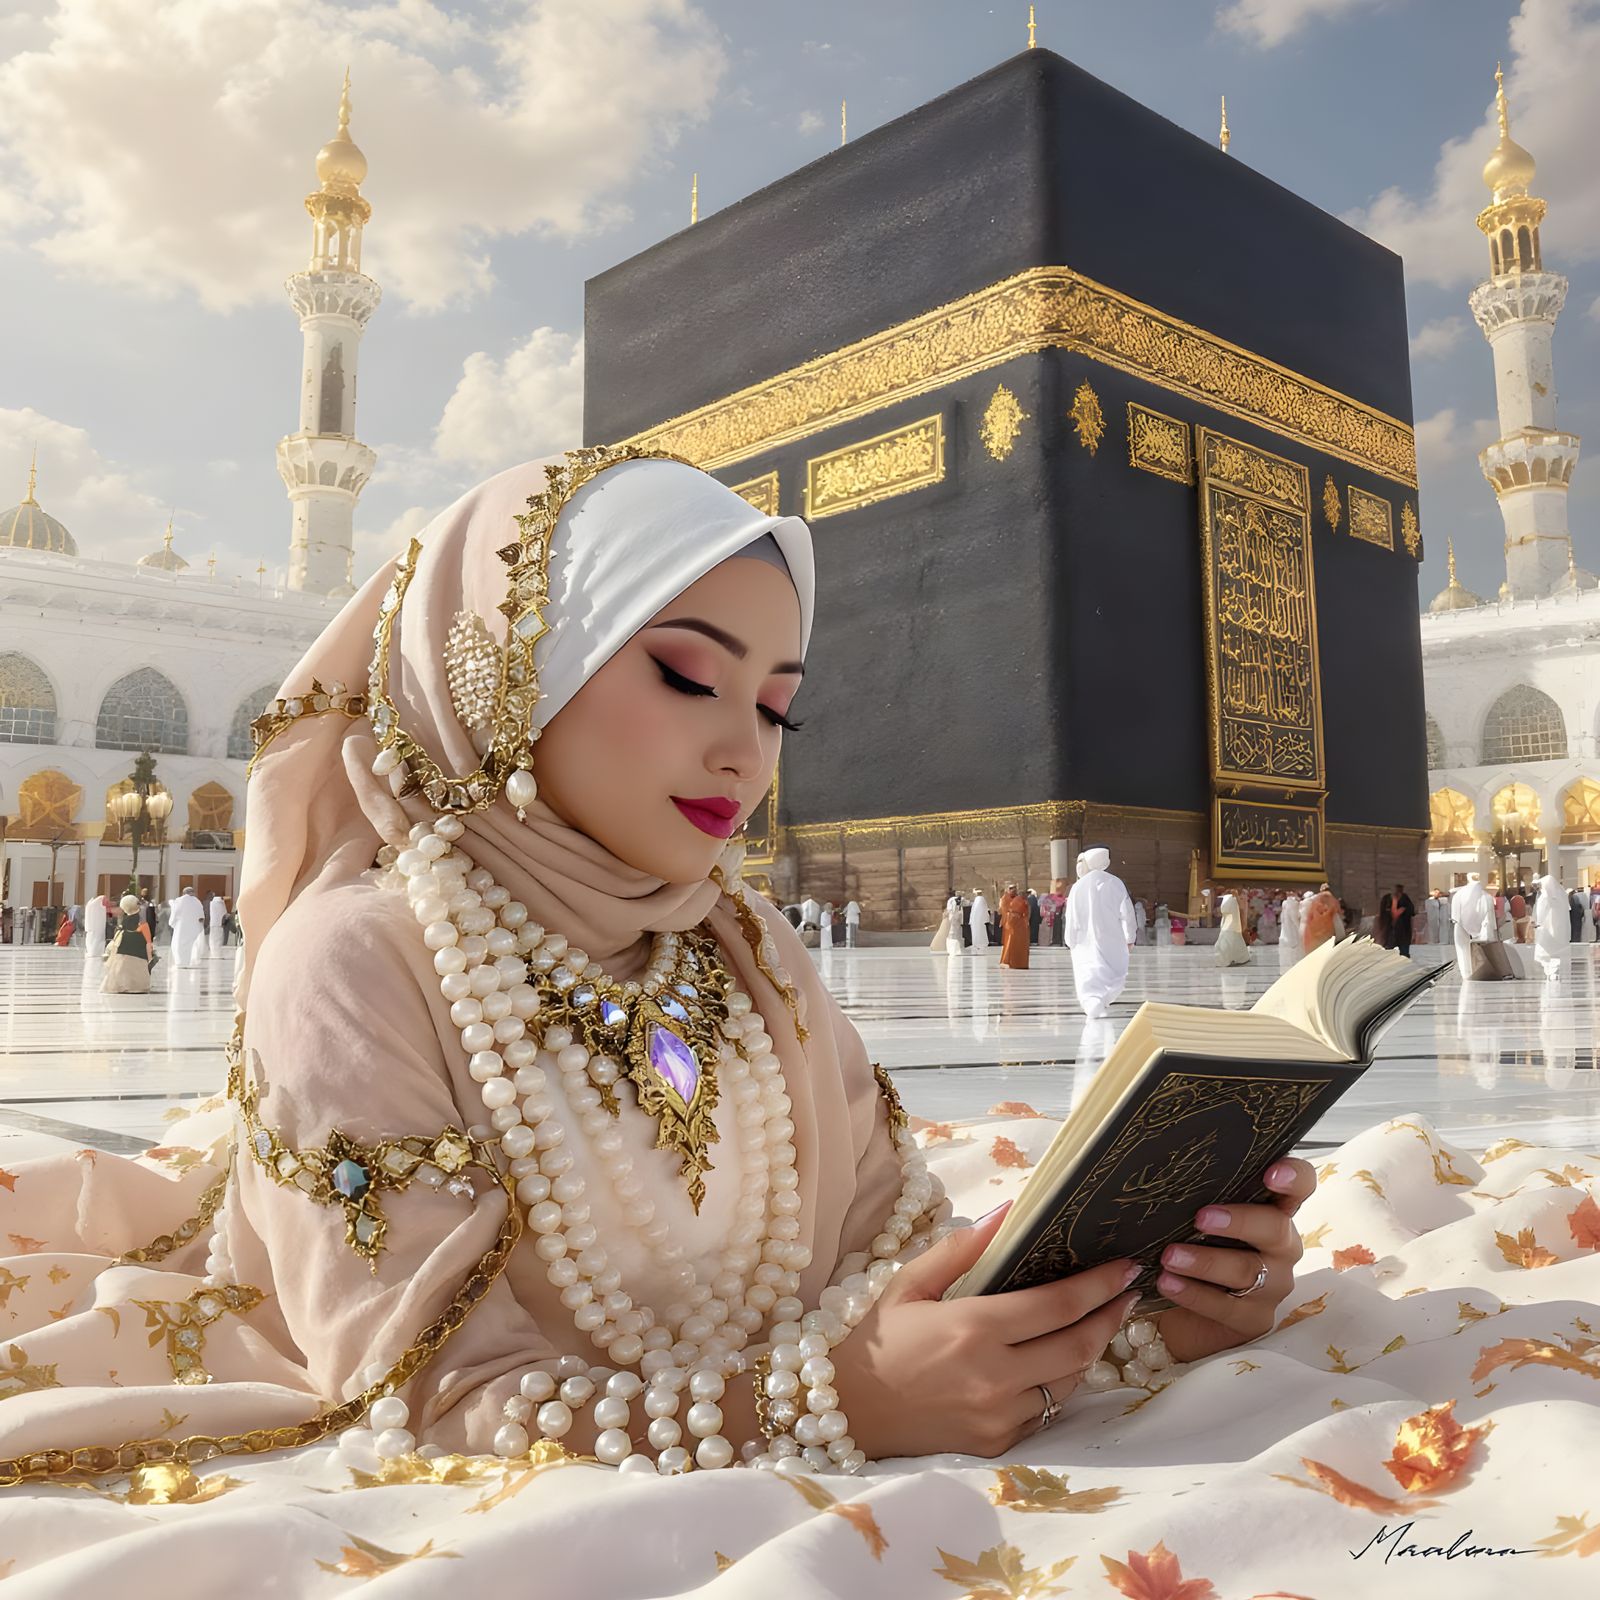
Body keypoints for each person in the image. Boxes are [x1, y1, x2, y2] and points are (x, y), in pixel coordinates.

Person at [0, 447, 1316, 1494]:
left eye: (777, 702)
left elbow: (895, 1247)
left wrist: (1138, 1315)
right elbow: (416, 1405)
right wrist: (822, 1404)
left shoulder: (744, 948)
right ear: (510, 673)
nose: (747, 752)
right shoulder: (358, 966)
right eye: (689, 674)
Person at [1063, 848, 1137, 1018]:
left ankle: (1092, 1001)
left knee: (1088, 970)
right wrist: (1129, 936)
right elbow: (1127, 913)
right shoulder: (1116, 883)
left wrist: (1070, 938)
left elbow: (1071, 915)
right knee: (1110, 969)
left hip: (1084, 940)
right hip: (1112, 937)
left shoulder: (1078, 886)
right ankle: (1100, 1000)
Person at [100, 893, 153, 994]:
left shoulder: (121, 927)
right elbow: (148, 944)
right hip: (140, 964)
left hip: (120, 963)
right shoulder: (143, 925)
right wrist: (150, 958)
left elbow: (114, 944)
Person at [1451, 873, 1494, 979]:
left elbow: (1455, 914)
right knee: (1464, 949)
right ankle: (1470, 971)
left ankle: (1466, 972)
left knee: (1462, 950)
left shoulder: (1459, 894)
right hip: (1467, 925)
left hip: (1459, 924)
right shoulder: (1485, 896)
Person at [1533, 870, 1568, 980]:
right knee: (1554, 951)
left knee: (1546, 951)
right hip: (1556, 929)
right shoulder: (1560, 898)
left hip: (1545, 928)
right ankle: (1553, 970)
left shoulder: (1544, 898)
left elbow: (1541, 913)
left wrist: (1537, 923)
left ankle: (1550, 971)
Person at [167, 886, 206, 968]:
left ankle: (180, 962)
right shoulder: (197, 901)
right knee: (192, 945)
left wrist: (172, 923)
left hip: (181, 927)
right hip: (194, 928)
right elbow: (201, 917)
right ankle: (191, 961)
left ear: (183, 893)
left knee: (179, 944)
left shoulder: (179, 901)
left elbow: (175, 912)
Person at [1214, 892, 1250, 967]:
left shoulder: (1234, 899)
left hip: (1232, 925)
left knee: (1231, 940)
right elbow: (1223, 911)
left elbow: (1240, 909)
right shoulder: (1228, 898)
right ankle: (1225, 959)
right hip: (1227, 924)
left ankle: (1231, 958)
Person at [999, 885, 1030, 970]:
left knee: (1014, 943)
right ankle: (1011, 961)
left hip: (1015, 924)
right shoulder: (1007, 899)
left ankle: (1015, 961)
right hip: (1013, 924)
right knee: (1011, 942)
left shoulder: (1017, 900)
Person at [83, 892, 112, 960]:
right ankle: (95, 952)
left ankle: (94, 951)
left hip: (94, 925)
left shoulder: (92, 905)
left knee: (95, 938)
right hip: (96, 925)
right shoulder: (96, 904)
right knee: (96, 938)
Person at [1389, 884, 1415, 958]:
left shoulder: (1404, 898)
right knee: (1400, 941)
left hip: (1403, 924)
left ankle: (1404, 955)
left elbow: (1397, 912)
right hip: (1400, 924)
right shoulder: (1395, 898)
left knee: (1404, 942)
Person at [968, 887, 991, 952]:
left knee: (979, 931)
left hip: (978, 919)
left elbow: (981, 909)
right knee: (978, 931)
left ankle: (980, 943)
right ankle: (977, 943)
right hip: (978, 919)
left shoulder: (980, 899)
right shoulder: (979, 899)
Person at [207, 893, 228, 958]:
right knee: (217, 940)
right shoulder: (217, 902)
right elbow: (226, 897)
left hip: (215, 924)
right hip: (217, 924)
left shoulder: (213, 903)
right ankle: (216, 955)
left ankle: (215, 954)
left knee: (215, 940)